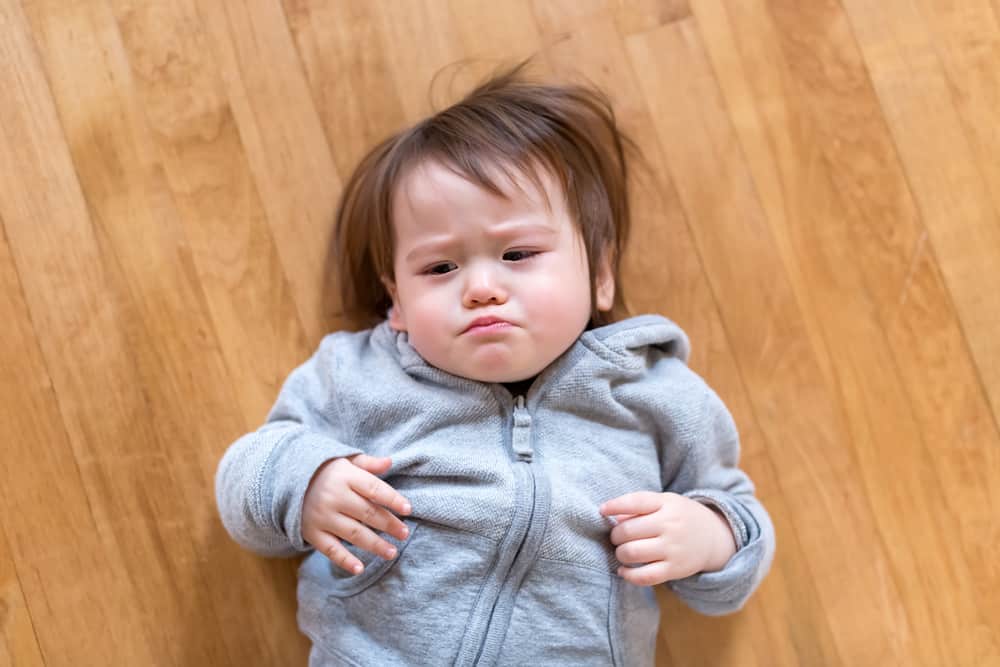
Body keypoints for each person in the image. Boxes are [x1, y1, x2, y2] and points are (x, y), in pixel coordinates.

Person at [216, 61, 775, 666]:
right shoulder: (357, 377)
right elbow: (249, 473)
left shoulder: (655, 395)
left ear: (601, 275)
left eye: (518, 253)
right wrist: (307, 481)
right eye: (440, 268)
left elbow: (738, 516)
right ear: (396, 301)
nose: (481, 287)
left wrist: (712, 536)